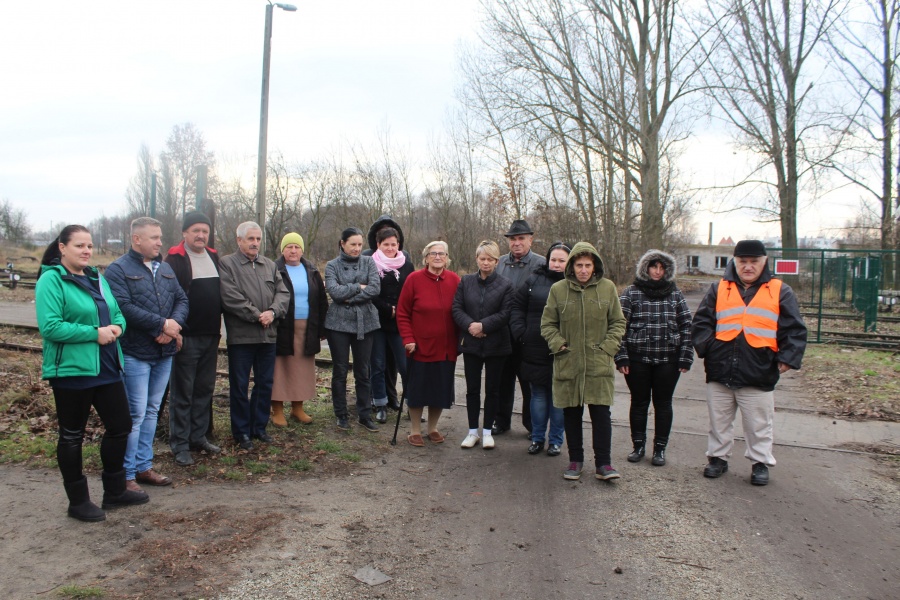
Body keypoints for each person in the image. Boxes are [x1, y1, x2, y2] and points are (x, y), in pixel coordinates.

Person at [36, 225, 148, 522]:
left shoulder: (97, 277)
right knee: (72, 436)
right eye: (79, 246)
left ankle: (114, 491)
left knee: (120, 426)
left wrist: (118, 327)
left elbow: (117, 312)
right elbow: (50, 327)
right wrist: (93, 333)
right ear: (62, 248)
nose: (86, 251)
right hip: (72, 371)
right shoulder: (52, 280)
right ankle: (78, 502)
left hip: (108, 367)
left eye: (89, 245)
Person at [691, 240, 807, 486]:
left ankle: (760, 463)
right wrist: (708, 348)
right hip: (720, 368)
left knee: (759, 423)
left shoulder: (779, 290)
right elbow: (701, 323)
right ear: (735, 261)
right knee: (719, 420)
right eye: (743, 261)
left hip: (759, 370)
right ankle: (717, 459)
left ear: (764, 262)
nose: (748, 267)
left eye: (754, 262)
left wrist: (786, 360)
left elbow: (795, 330)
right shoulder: (719, 288)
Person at [106, 217, 188, 493]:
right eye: (154, 237)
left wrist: (172, 326)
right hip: (135, 353)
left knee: (152, 410)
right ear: (137, 239)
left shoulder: (163, 268)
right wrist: (160, 324)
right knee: (135, 414)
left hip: (164, 351)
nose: (159, 242)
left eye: (160, 236)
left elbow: (181, 299)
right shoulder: (118, 270)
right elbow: (123, 307)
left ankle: (144, 466)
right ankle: (126, 474)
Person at [541, 242, 626, 481]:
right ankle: (575, 460)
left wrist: (608, 348)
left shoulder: (608, 289)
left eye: (588, 265)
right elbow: (547, 324)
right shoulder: (558, 290)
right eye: (579, 265)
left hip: (598, 363)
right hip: (569, 362)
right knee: (571, 414)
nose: (584, 270)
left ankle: (604, 464)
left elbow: (618, 322)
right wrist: (559, 344)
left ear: (595, 266)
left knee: (601, 414)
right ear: (571, 266)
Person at [614, 250, 693, 467]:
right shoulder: (631, 293)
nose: (657, 272)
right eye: (653, 267)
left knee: (663, 403)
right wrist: (621, 357)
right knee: (639, 403)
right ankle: (638, 446)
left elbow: (687, 325)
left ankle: (660, 449)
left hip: (668, 360)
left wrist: (686, 356)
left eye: (661, 268)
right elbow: (619, 325)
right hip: (637, 359)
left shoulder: (675, 294)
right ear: (645, 268)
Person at [220, 221, 291, 450]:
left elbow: (283, 293)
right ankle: (241, 432)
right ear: (239, 240)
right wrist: (256, 315)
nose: (255, 243)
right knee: (239, 385)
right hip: (242, 337)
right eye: (250, 239)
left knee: (264, 383)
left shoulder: (269, 265)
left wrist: (272, 312)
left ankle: (259, 428)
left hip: (268, 336)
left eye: (258, 239)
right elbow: (230, 297)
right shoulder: (227, 264)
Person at [164, 211, 223, 467]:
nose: (201, 235)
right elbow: (168, 298)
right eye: (196, 230)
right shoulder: (175, 259)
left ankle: (198, 437)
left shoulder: (213, 256)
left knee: (204, 390)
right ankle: (179, 444)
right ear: (185, 233)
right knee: (183, 392)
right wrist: (174, 332)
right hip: (186, 337)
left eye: (204, 231)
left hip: (211, 335)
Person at [396, 241, 461, 446]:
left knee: (439, 391)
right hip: (419, 347)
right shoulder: (413, 279)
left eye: (442, 254)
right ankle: (415, 429)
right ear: (426, 258)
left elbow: (461, 311)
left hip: (446, 348)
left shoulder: (455, 280)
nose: (438, 257)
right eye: (433, 253)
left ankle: (432, 427)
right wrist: (408, 339)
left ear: (447, 258)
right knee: (418, 390)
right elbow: (402, 313)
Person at [452, 241, 514, 450]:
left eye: (490, 259)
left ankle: (487, 431)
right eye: (482, 258)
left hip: (497, 344)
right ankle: (472, 432)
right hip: (471, 343)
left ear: (497, 261)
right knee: (472, 389)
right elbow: (457, 308)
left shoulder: (506, 285)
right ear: (476, 259)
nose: (486, 262)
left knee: (493, 389)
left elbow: (506, 313)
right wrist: (471, 326)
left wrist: (484, 325)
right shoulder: (466, 281)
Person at [510, 242, 570, 457]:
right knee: (538, 395)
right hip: (534, 346)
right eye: (553, 259)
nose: (556, 264)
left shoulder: (574, 284)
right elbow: (517, 306)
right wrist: (520, 332)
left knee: (558, 398)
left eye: (561, 260)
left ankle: (555, 440)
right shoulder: (533, 280)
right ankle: (537, 438)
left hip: (564, 350)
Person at [324, 227, 381, 432]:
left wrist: (348, 295)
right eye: (353, 244)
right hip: (338, 323)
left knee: (363, 371)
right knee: (339, 370)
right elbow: (335, 292)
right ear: (342, 244)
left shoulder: (369, 261)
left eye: (359, 244)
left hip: (365, 321)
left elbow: (375, 288)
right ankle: (341, 414)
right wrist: (359, 286)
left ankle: (364, 414)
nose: (357, 248)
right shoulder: (332, 265)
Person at [272, 232, 328, 426]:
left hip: (307, 326)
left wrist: (322, 327)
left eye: (297, 247)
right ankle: (277, 410)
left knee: (302, 369)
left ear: (302, 249)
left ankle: (298, 408)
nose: (293, 250)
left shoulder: (311, 269)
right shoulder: (274, 269)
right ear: (283, 250)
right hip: (283, 325)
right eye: (289, 247)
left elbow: (321, 300)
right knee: (280, 368)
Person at [495, 218, 545, 435]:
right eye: (513, 239)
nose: (516, 243)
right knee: (502, 381)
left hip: (527, 334)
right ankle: (501, 421)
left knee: (528, 383)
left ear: (530, 240)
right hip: (502, 332)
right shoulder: (499, 263)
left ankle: (531, 424)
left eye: (521, 238)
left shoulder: (541, 264)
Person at [363, 214, 410, 412]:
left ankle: (412, 403)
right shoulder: (369, 261)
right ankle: (380, 404)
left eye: (394, 244)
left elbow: (410, 290)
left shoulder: (406, 262)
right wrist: (386, 308)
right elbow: (369, 290)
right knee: (378, 364)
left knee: (405, 365)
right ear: (378, 243)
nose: (390, 248)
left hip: (399, 322)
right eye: (386, 244)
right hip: (377, 321)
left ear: (398, 244)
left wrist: (398, 310)